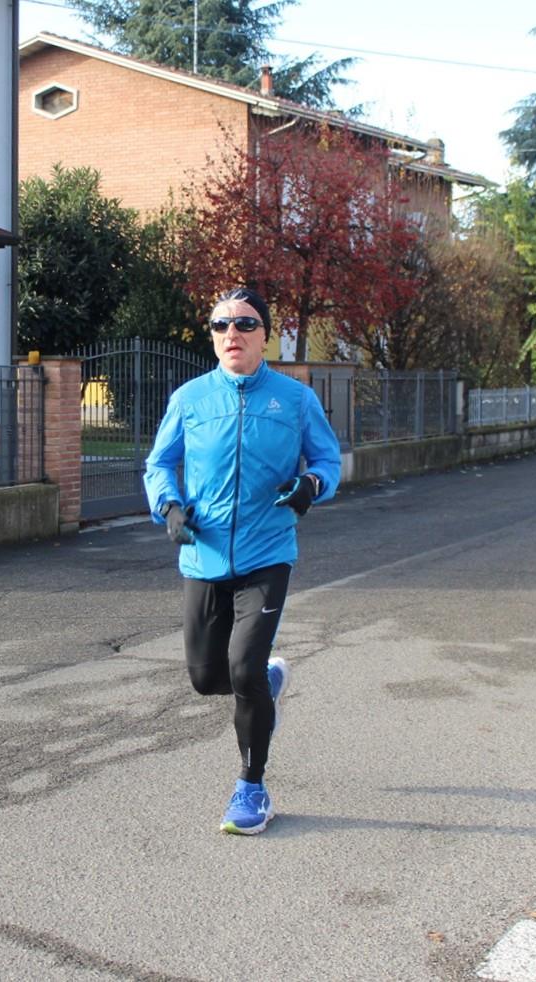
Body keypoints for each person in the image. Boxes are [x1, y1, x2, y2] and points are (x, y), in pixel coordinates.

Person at [143, 287, 342, 835]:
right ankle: (266, 682)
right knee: (207, 678)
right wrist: (169, 506)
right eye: (220, 324)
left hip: (267, 552)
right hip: (203, 555)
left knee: (244, 669)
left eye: (245, 324)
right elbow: (159, 463)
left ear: (265, 336)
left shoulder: (295, 399)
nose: (232, 333)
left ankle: (252, 788)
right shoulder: (190, 399)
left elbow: (327, 460)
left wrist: (311, 484)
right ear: (212, 337)